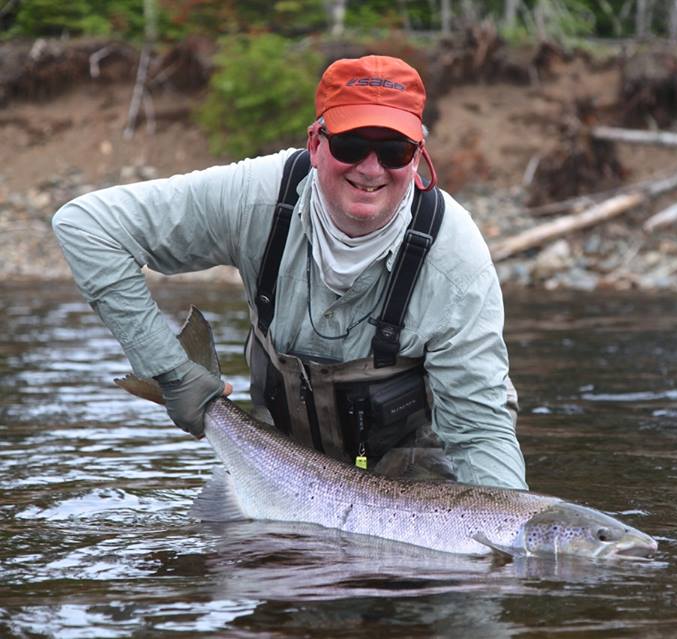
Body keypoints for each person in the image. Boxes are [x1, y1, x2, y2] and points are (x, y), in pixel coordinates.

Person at [52, 54, 526, 490]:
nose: (370, 167)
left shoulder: (455, 260)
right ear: (316, 143)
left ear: (419, 157)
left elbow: (480, 430)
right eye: (351, 143)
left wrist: (511, 546)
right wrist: (170, 371)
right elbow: (85, 226)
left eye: (394, 150)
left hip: (413, 490)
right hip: (278, 472)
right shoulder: (253, 197)